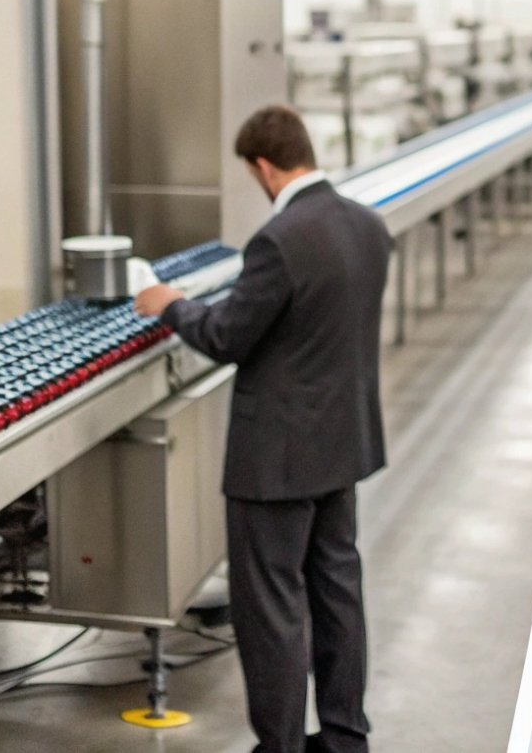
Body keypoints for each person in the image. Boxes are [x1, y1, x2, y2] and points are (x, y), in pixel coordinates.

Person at [135, 105, 393, 753]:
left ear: (264, 167)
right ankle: (343, 737)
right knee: (338, 594)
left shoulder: (279, 241)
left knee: (272, 610)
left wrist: (170, 304)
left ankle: (277, 745)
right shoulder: (366, 225)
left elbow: (226, 335)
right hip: (342, 446)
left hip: (276, 460)